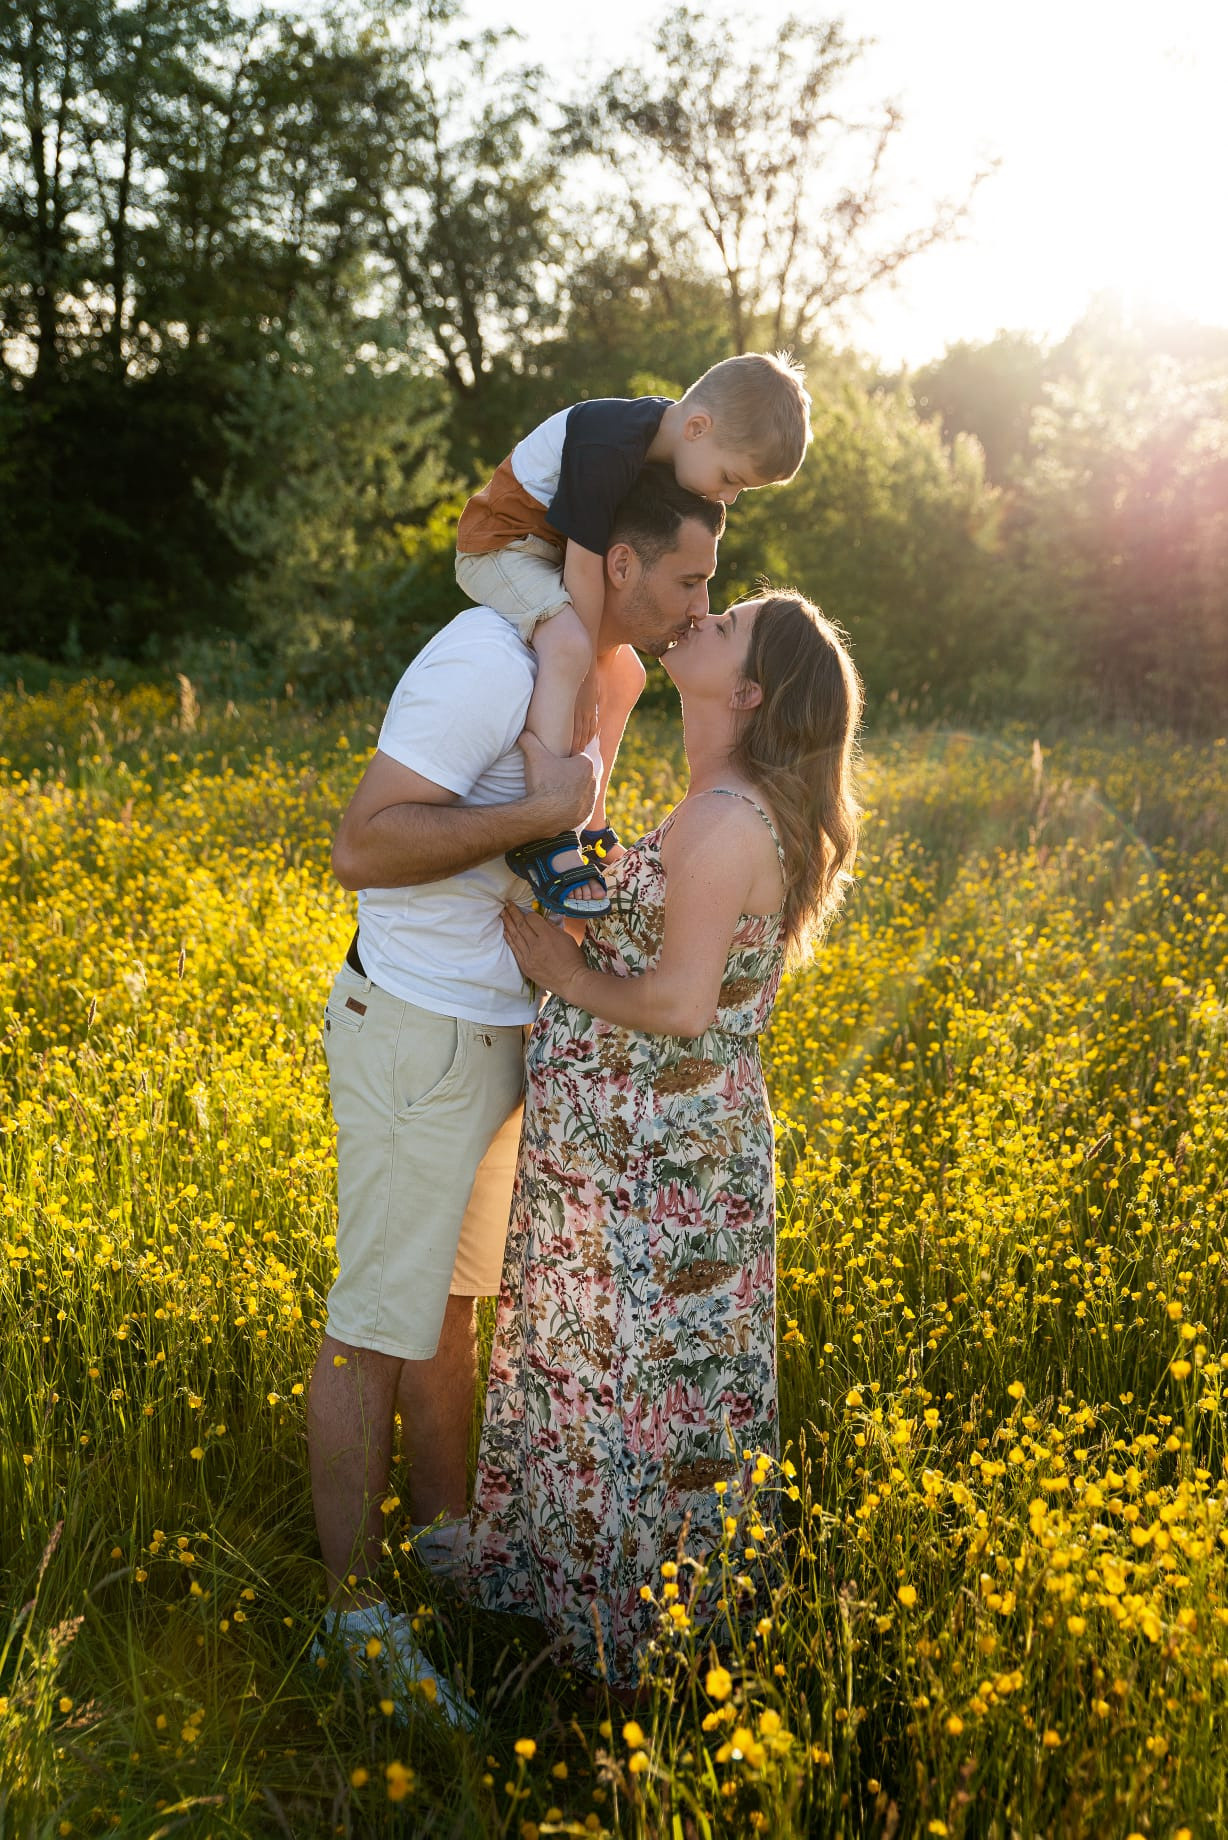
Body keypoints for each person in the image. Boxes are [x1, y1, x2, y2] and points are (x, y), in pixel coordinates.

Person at [306, 467, 727, 1723]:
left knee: (451, 1308)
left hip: (500, 1027)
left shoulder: (608, 675)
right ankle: (352, 1619)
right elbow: (361, 844)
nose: (701, 601)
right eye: (689, 578)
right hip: (417, 1024)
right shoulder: (488, 660)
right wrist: (537, 814)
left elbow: (546, 839)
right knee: (375, 1320)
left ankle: (447, 1550)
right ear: (615, 562)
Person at [465, 591, 862, 1690]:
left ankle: (630, 1663)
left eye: (726, 622)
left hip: (661, 1165)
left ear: (746, 693)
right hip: (643, 1151)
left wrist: (566, 974)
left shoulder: (728, 820)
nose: (702, 615)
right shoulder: (714, 803)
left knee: (647, 1394)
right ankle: (607, 1626)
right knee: (628, 1384)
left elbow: (684, 1003)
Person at [455, 353, 812, 916]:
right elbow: (584, 570)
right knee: (572, 645)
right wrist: (579, 683)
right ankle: (545, 833)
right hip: (502, 547)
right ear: (697, 429)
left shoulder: (665, 447)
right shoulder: (608, 443)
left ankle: (589, 825)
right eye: (731, 479)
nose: (729, 497)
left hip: (543, 553)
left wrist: (604, 670)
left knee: (625, 671)